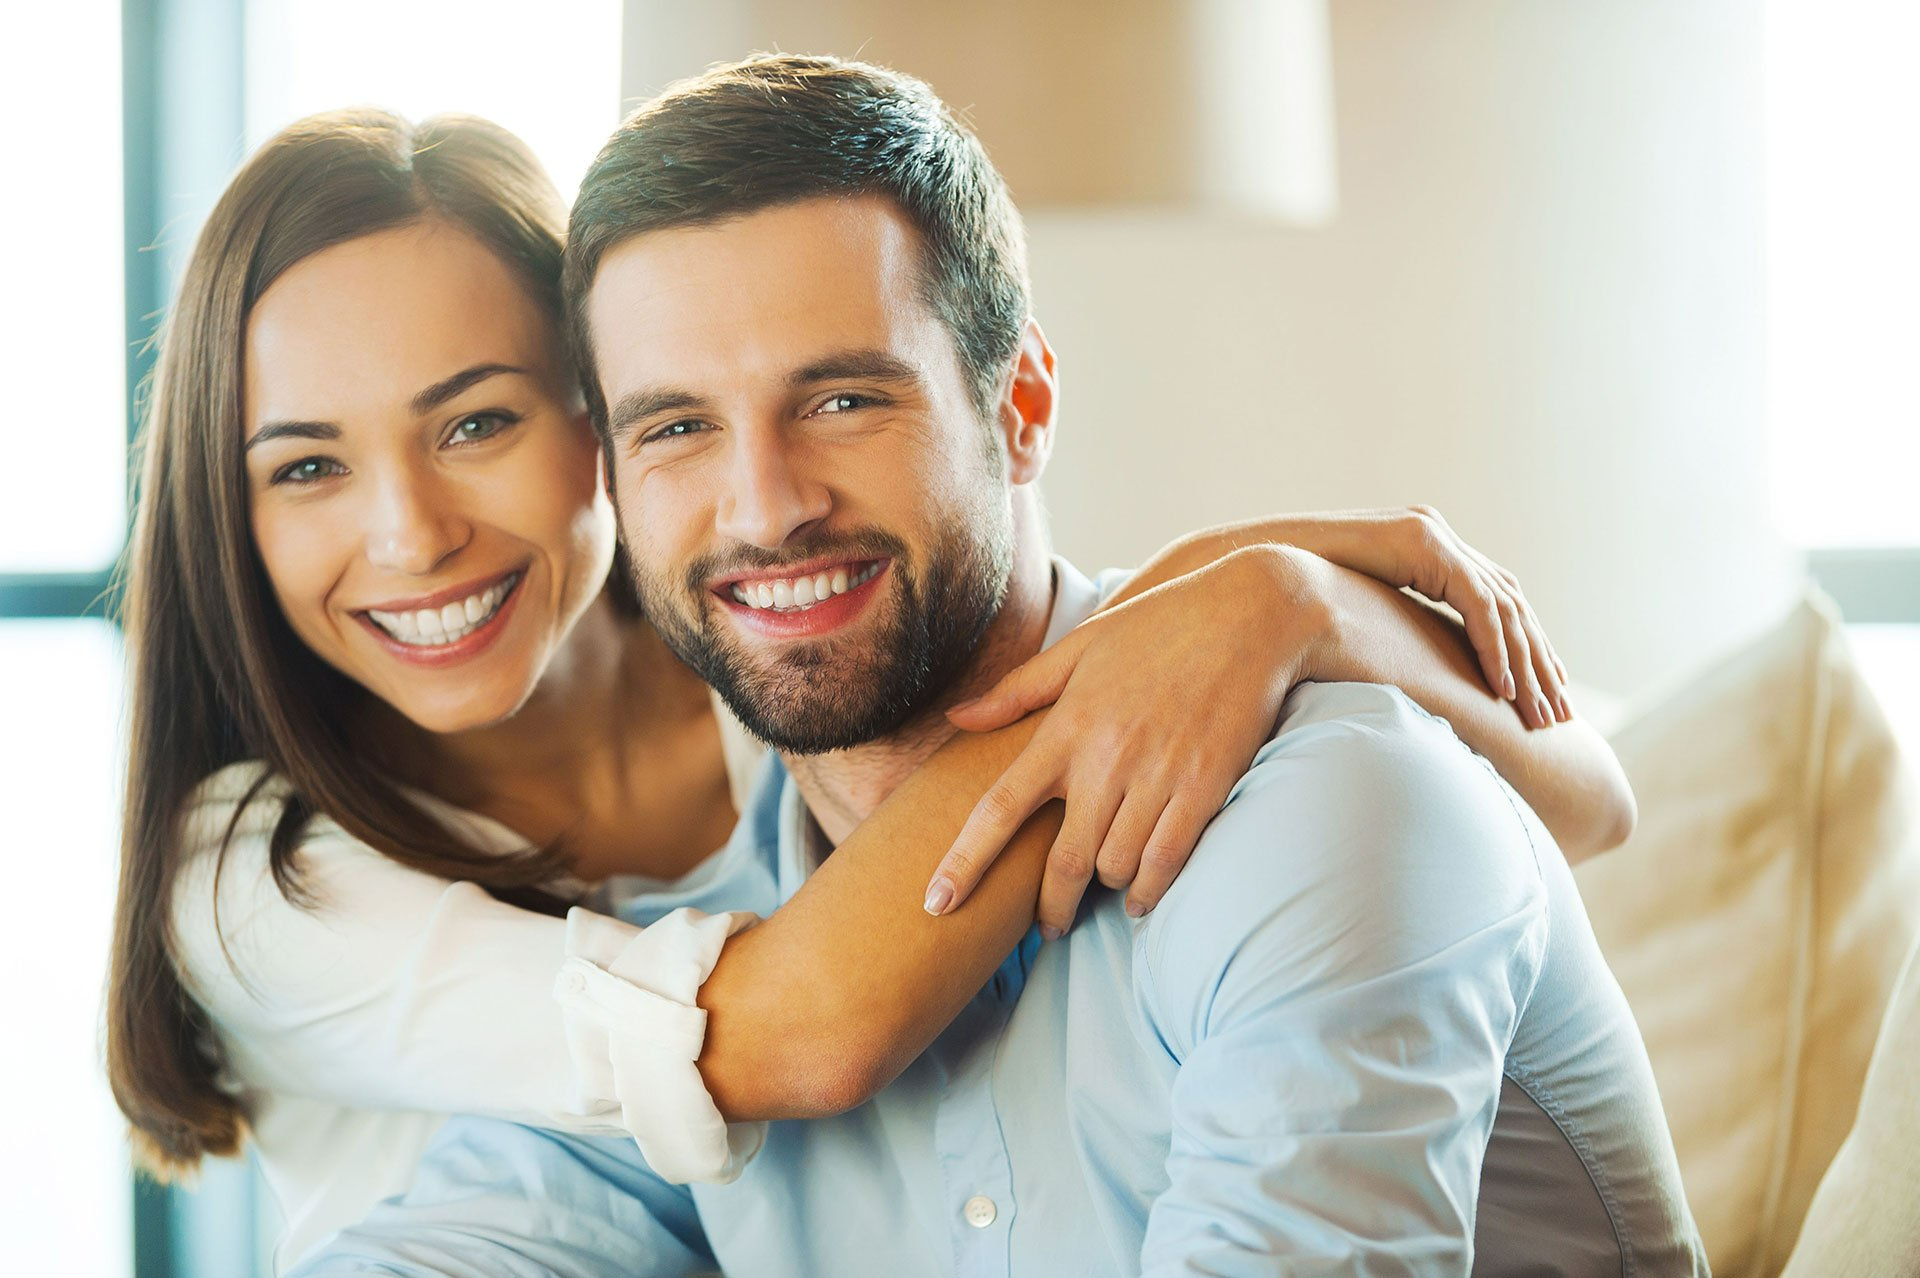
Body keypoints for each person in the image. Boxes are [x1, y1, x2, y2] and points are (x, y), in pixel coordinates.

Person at [103, 105, 1631, 1270]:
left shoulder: (1309, 808)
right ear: (634, 454)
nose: (764, 507)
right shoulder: (325, 889)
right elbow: (769, 1037)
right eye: (684, 424)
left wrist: (1285, 609)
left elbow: (1568, 798)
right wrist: (1244, 598)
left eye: (841, 397)